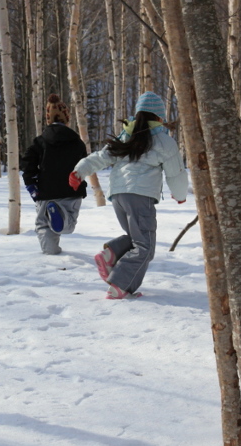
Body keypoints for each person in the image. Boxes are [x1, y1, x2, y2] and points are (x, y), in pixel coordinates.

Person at [69, 91, 188, 299]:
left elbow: (101, 157)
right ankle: (120, 285)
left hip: (118, 196)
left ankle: (111, 254)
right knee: (145, 246)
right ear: (159, 118)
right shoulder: (163, 142)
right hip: (140, 197)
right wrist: (180, 194)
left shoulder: (127, 137)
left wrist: (79, 170)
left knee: (137, 238)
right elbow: (175, 173)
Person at [21, 94, 89, 255]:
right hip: (71, 190)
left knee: (44, 225)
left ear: (48, 120)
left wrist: (30, 183)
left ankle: (50, 252)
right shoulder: (77, 142)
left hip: (46, 190)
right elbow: (85, 164)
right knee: (69, 224)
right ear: (67, 119)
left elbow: (27, 161)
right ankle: (62, 218)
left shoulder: (40, 141)